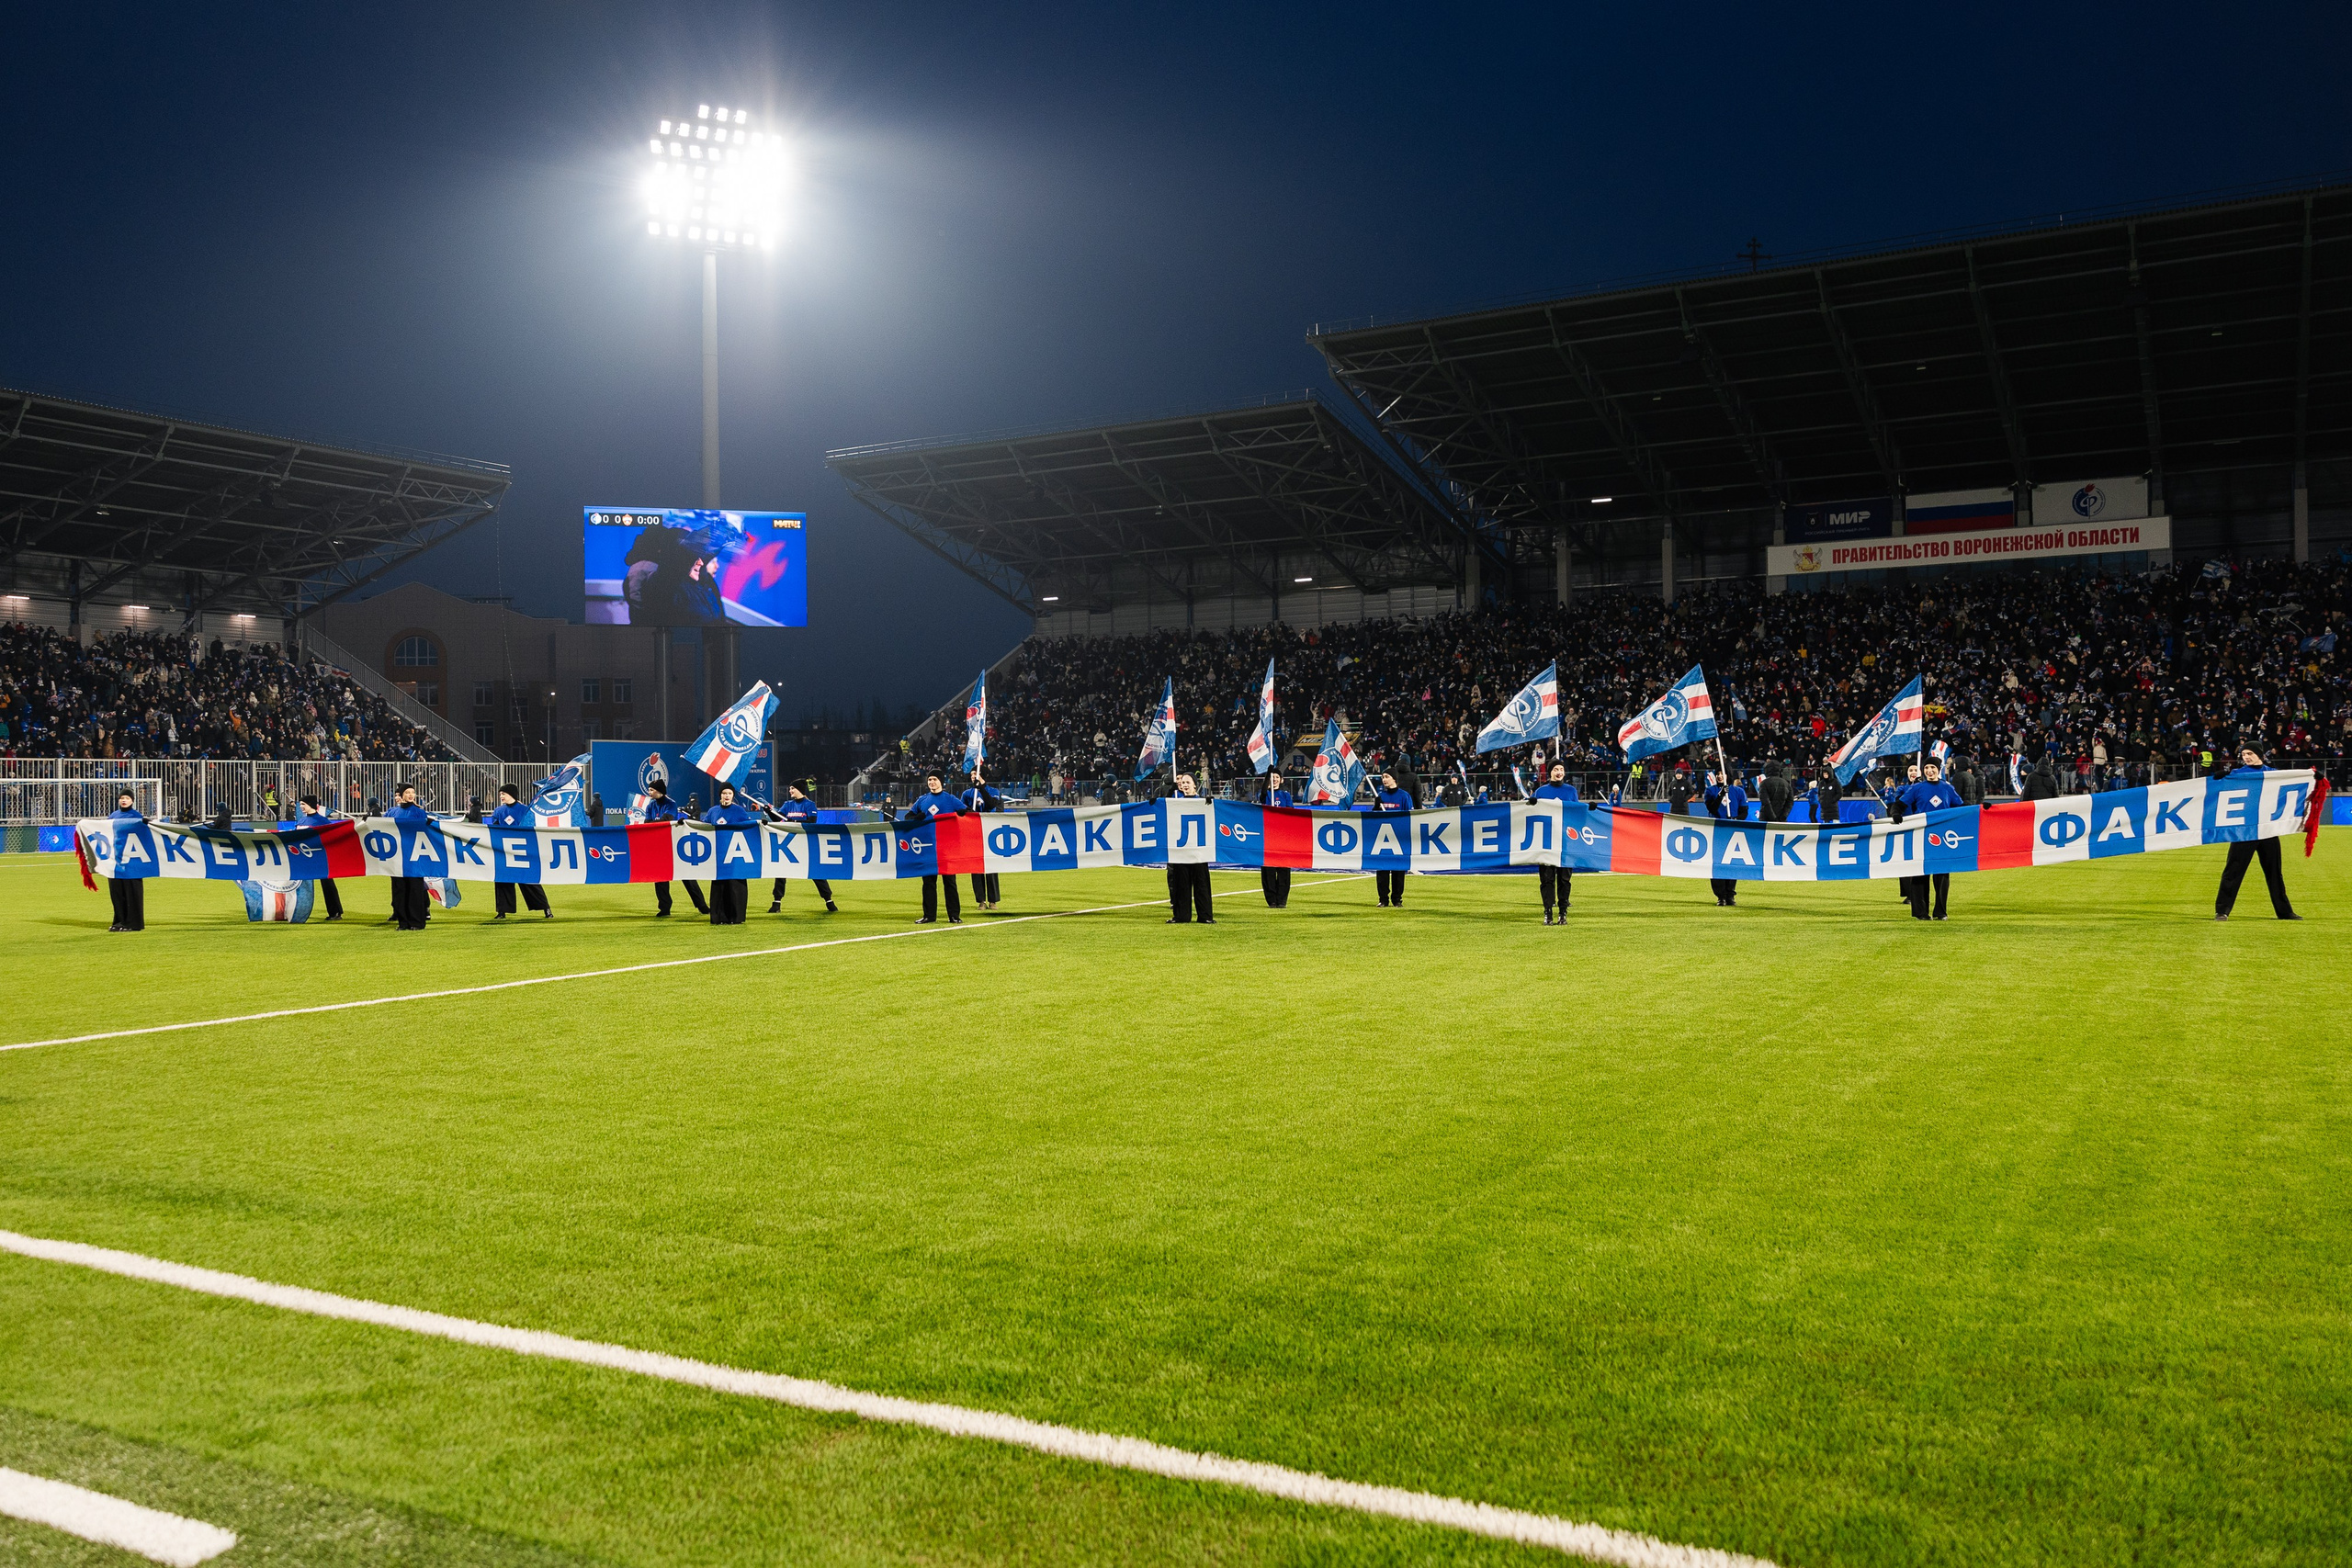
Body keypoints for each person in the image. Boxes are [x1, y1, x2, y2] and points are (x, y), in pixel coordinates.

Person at [2213, 745, 2302, 920]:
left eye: (2249, 753)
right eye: (2243, 754)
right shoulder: (2237, 774)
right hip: (2244, 831)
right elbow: (2212, 789)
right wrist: (2217, 779)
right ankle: (2222, 911)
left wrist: (2314, 777)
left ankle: (2284, 912)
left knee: (2274, 872)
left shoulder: (2274, 774)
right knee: (2233, 871)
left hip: (2268, 829)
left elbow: (2296, 782)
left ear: (2260, 755)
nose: (2246, 757)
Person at [1896, 760, 1964, 920]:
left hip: (1943, 837)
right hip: (1921, 835)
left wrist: (1982, 808)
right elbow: (1899, 804)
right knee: (1920, 874)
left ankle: (1940, 912)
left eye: (1932, 767)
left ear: (1938, 769)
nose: (1929, 770)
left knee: (1942, 876)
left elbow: (1962, 807)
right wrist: (1896, 813)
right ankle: (1921, 913)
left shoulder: (1948, 788)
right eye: (1926, 768)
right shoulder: (1916, 788)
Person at [898, 772, 965, 924]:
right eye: (929, 779)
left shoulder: (950, 799)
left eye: (934, 779)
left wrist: (962, 813)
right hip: (927, 846)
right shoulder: (922, 800)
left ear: (941, 781)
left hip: (947, 847)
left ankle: (954, 915)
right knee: (928, 882)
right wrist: (917, 817)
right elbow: (908, 818)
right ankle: (929, 915)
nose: (931, 782)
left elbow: (968, 813)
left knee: (950, 882)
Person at [765, 780, 838, 913]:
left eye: (792, 788)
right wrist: (769, 812)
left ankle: (829, 901)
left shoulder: (809, 805)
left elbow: (812, 822)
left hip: (806, 844)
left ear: (799, 789)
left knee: (816, 871)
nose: (790, 791)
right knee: (781, 871)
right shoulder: (788, 805)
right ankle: (776, 903)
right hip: (790, 844)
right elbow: (777, 819)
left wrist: (794, 822)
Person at [484, 784, 553, 920]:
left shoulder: (525, 810)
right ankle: (502, 912)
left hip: (522, 851)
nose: (501, 796)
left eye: (503, 793)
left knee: (530, 881)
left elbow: (532, 830)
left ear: (512, 794)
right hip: (504, 851)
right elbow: (494, 830)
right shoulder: (498, 811)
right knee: (502, 880)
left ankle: (546, 908)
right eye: (500, 794)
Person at [640, 779, 704, 917]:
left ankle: (702, 905)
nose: (649, 792)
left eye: (651, 790)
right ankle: (664, 908)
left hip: (674, 843)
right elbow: (647, 824)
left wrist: (655, 822)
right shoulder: (650, 806)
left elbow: (667, 820)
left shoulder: (671, 804)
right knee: (660, 877)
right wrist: (657, 822)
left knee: (687, 875)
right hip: (658, 845)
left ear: (659, 791)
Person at [703, 782, 759, 924]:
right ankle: (719, 917)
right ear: (720, 795)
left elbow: (749, 826)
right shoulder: (713, 811)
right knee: (719, 886)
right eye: (724, 793)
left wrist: (760, 824)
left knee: (735, 886)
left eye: (729, 793)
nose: (726, 796)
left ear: (733, 795)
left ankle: (736, 917)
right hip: (719, 855)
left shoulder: (739, 810)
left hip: (736, 855)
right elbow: (703, 827)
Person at [1164, 772, 1213, 923]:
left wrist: (1212, 806)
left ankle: (1205, 916)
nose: (1184, 785)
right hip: (1181, 851)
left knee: (1202, 885)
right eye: (1182, 783)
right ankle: (1181, 916)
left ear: (1195, 785)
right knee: (1181, 885)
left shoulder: (1204, 802)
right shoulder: (1175, 803)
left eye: (1188, 782)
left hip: (1199, 851)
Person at [1532, 762, 1578, 923]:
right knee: (1547, 880)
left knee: (1564, 880)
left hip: (1566, 844)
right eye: (1555, 769)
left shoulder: (1571, 791)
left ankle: (1563, 913)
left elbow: (1578, 814)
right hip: (1546, 843)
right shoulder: (1541, 791)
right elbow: (1531, 815)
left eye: (1561, 769)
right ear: (1550, 772)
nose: (1559, 772)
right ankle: (1548, 912)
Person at [387, 784, 433, 930]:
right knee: (399, 890)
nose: (411, 795)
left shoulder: (419, 812)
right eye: (407, 792)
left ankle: (417, 922)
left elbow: (425, 832)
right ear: (401, 795)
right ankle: (403, 922)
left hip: (414, 856)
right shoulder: (392, 812)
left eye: (413, 792)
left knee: (415, 889)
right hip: (397, 856)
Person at [293, 793, 344, 921]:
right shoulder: (301, 820)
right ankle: (295, 912)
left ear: (310, 804)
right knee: (297, 884)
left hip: (320, 858)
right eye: (300, 804)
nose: (301, 807)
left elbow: (332, 837)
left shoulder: (323, 821)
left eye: (303, 804)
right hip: (303, 858)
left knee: (327, 884)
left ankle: (335, 912)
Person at [1702, 769, 1748, 908]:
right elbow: (1712, 808)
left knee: (1732, 862)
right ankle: (1720, 896)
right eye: (1718, 774)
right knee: (1717, 863)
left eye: (1723, 774)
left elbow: (1744, 812)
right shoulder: (1710, 791)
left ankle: (1730, 895)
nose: (1720, 776)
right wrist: (1720, 794)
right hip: (1717, 830)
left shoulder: (1739, 791)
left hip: (1733, 831)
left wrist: (1735, 819)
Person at [104, 787, 145, 931]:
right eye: (122, 798)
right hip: (115, 860)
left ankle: (133, 923)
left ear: (132, 800)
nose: (124, 800)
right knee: (117, 892)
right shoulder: (113, 815)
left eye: (127, 798)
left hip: (132, 861)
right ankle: (119, 921)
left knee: (131, 892)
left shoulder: (137, 816)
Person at [962, 769, 1004, 910]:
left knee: (991, 867)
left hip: (990, 832)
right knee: (976, 867)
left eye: (976, 774)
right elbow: (961, 811)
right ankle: (981, 901)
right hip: (974, 834)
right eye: (972, 775)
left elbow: (992, 805)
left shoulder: (993, 791)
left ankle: (993, 901)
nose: (973, 776)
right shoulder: (967, 794)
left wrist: (982, 788)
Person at [1370, 771, 1413, 907]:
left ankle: (1397, 899)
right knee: (1382, 870)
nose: (1384, 779)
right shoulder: (1380, 796)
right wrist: (1376, 807)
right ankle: (1383, 899)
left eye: (1387, 777)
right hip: (1383, 839)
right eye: (1382, 777)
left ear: (1394, 778)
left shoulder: (1404, 796)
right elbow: (1373, 819)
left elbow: (1410, 817)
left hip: (1399, 839)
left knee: (1398, 871)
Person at [1260, 771, 1294, 908]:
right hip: (1267, 836)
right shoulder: (1265, 794)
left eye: (1276, 777)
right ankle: (1271, 900)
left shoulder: (1285, 795)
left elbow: (1292, 814)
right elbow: (1262, 795)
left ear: (1281, 780)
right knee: (1268, 869)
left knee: (1284, 869)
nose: (1274, 779)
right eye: (1271, 778)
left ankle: (1282, 900)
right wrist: (1268, 774)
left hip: (1283, 837)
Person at [1758, 761, 1794, 825]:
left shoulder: (1764, 783)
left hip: (1766, 820)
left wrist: (1773, 818)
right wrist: (1783, 816)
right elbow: (1790, 802)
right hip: (1782, 820)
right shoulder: (1786, 784)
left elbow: (1765, 803)